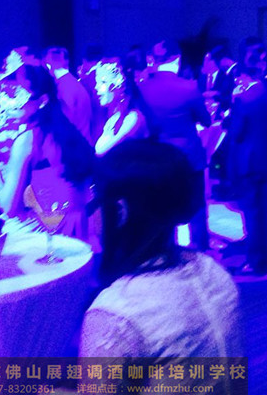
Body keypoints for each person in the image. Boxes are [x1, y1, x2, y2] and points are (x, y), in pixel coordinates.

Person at [80, 139, 242, 392]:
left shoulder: (116, 313)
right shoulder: (214, 271)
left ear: (120, 211)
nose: (91, 210)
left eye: (95, 195)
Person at [0, 64, 95, 238]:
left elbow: (7, 207)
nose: (5, 102)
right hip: (80, 228)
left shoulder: (28, 139)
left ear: (42, 100)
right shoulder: (60, 126)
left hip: (56, 233)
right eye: (4, 92)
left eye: (15, 94)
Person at [138, 40, 212, 251]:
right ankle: (200, 249)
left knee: (164, 203)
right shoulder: (188, 87)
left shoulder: (143, 88)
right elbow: (206, 120)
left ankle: (167, 248)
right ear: (177, 58)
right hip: (188, 155)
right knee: (196, 205)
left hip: (158, 155)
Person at [226, 37, 267, 275]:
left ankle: (254, 261)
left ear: (243, 75)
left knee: (252, 210)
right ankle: (265, 257)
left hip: (248, 161)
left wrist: (232, 107)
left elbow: (237, 133)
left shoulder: (243, 99)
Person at [92, 58, 147, 156]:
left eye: (103, 82)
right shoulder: (114, 118)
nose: (96, 87)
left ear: (121, 86)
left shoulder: (133, 118)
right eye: (97, 82)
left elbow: (102, 152)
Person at [43, 47, 92, 143]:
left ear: (48, 65)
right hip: (81, 142)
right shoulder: (72, 82)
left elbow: (65, 121)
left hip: (76, 145)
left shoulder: (64, 87)